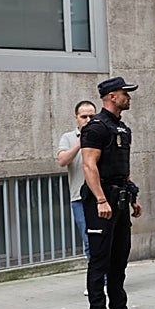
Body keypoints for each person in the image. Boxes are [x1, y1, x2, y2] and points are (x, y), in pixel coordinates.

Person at [80, 77, 146, 309]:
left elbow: (123, 169)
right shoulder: (96, 127)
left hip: (119, 198)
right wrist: (100, 199)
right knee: (99, 260)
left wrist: (133, 198)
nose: (128, 97)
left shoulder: (122, 128)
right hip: (101, 200)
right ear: (111, 97)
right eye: (124, 93)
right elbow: (89, 165)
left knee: (119, 258)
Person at [58, 100, 96, 259]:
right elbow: (62, 161)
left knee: (105, 240)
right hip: (79, 198)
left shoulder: (101, 134)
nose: (88, 120)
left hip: (101, 195)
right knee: (88, 240)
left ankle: (109, 277)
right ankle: (99, 279)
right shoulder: (68, 137)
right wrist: (80, 143)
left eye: (91, 117)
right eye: (84, 116)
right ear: (76, 118)